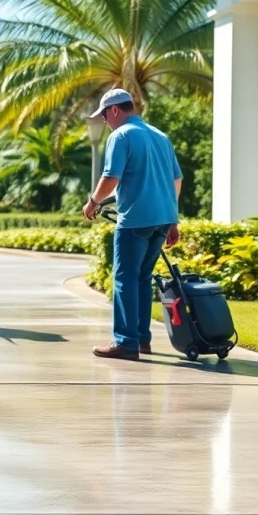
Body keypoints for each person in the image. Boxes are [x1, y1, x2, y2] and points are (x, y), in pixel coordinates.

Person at [82, 88, 182, 360]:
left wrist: (93, 202)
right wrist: (172, 219)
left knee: (124, 278)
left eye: (104, 115)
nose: (104, 121)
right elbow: (176, 180)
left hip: (135, 220)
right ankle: (142, 340)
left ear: (115, 110)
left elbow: (111, 177)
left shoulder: (121, 135)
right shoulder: (161, 136)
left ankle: (126, 342)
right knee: (142, 278)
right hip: (163, 220)